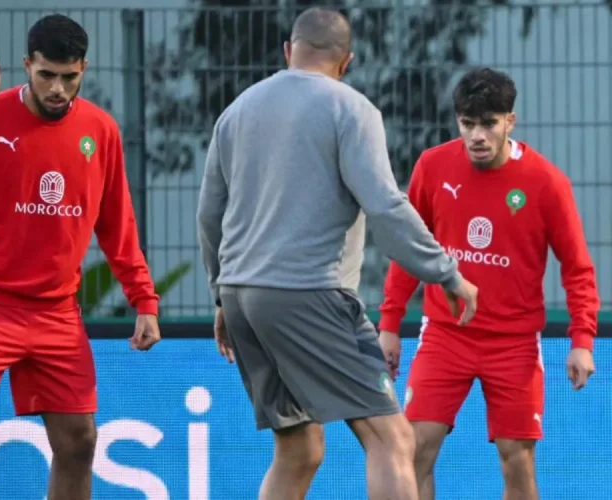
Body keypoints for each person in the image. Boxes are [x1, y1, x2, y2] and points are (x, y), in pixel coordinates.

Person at [197, 7, 479, 500]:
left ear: (289, 51)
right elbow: (386, 207)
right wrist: (446, 273)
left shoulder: (237, 110)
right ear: (345, 62)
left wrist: (221, 295)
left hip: (243, 296)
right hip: (308, 292)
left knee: (300, 448)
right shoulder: (351, 109)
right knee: (392, 437)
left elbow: (208, 214)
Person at [0, 15, 161, 500]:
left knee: (79, 441)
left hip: (57, 313)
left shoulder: (101, 131)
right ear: (27, 65)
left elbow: (118, 226)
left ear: (83, 70)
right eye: (46, 74)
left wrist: (144, 300)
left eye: (69, 77)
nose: (57, 88)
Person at [377, 68, 599, 500]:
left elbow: (577, 267)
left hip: (514, 342)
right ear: (457, 121)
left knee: (517, 461)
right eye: (467, 123)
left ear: (510, 122)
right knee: (413, 451)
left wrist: (583, 339)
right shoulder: (433, 165)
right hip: (445, 335)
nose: (477, 135)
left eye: (488, 123)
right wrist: (389, 324)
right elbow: (411, 247)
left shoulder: (547, 183)